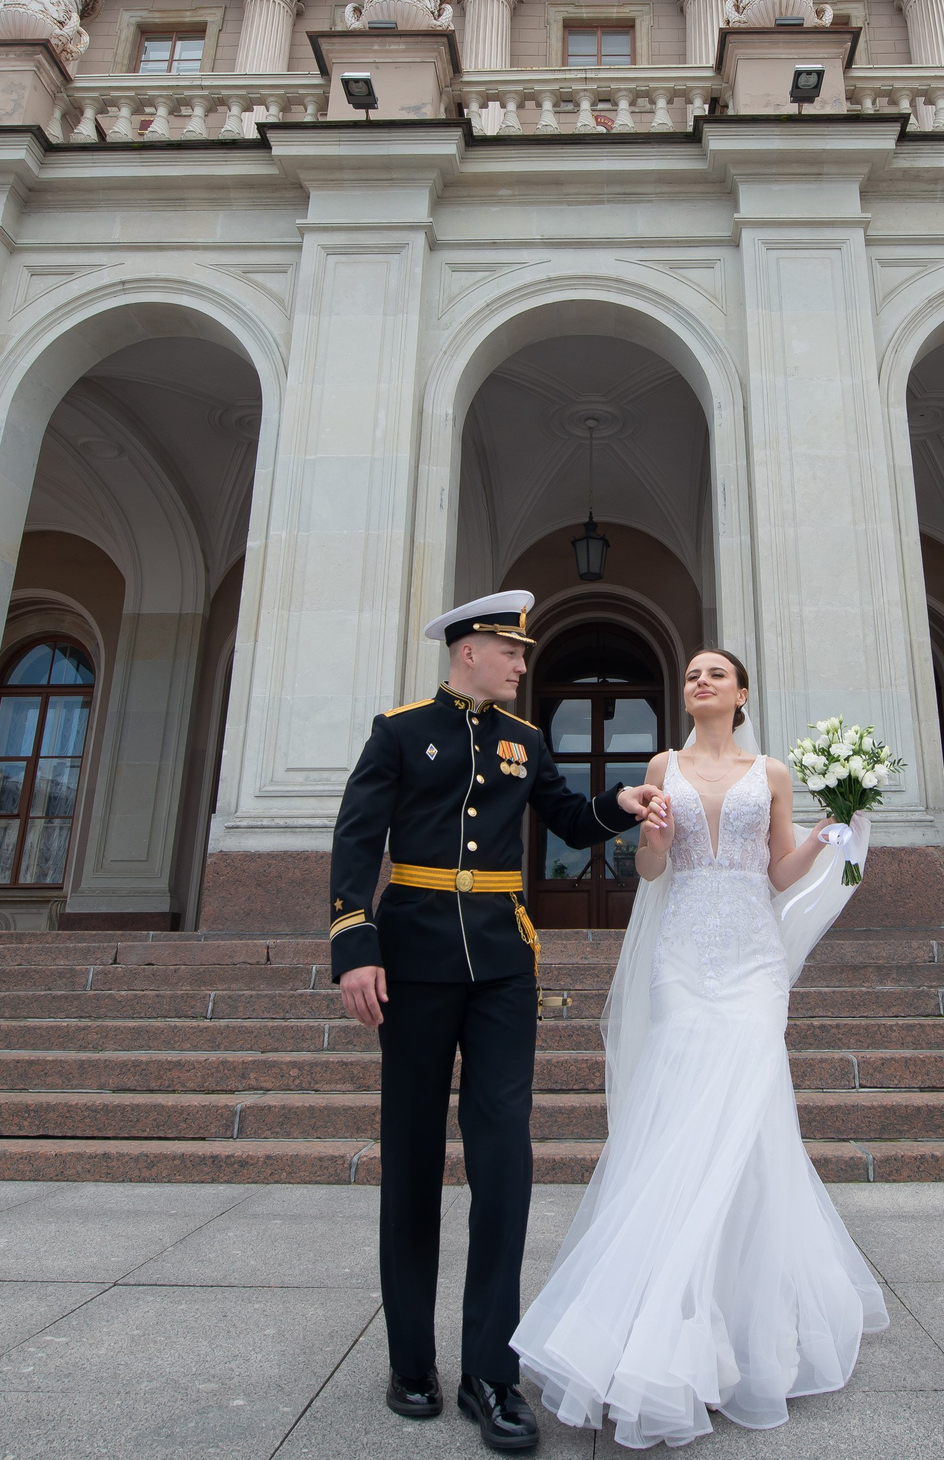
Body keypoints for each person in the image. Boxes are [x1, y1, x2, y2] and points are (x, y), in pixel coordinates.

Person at [512, 647, 888, 1449]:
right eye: (691, 675)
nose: (702, 682)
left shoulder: (774, 772)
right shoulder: (662, 762)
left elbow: (779, 874)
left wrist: (830, 836)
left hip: (753, 959)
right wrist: (647, 832)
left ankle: (743, 1317)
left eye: (716, 674)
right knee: (682, 1110)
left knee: (748, 1117)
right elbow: (651, 870)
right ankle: (661, 1315)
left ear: (743, 692)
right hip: (683, 955)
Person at [329, 589, 669, 1454]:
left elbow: (562, 816)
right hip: (409, 961)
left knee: (504, 1161)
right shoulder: (401, 730)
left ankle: (490, 1369)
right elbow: (357, 840)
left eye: (524, 650)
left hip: (503, 966)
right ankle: (412, 1358)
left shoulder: (525, 742)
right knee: (410, 1154)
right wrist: (353, 942)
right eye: (510, 650)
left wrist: (618, 803)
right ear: (468, 649)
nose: (523, 663)